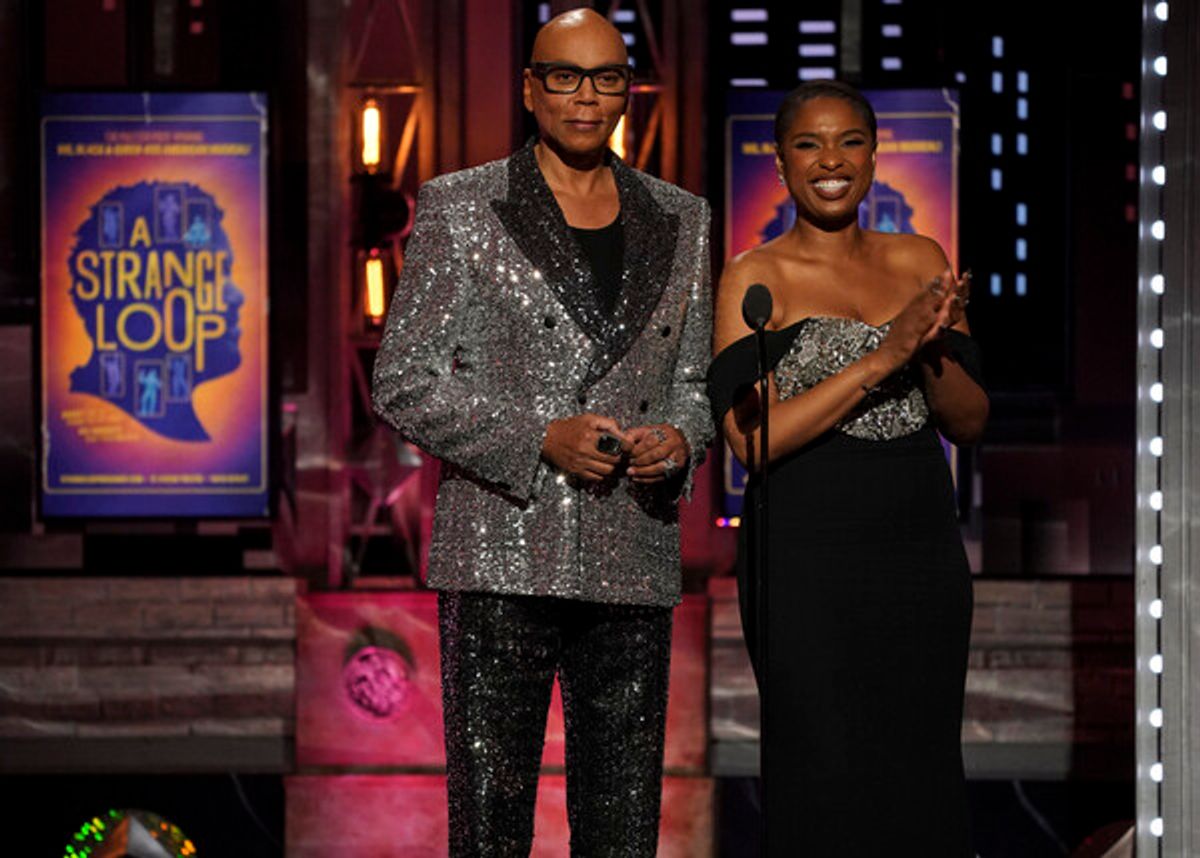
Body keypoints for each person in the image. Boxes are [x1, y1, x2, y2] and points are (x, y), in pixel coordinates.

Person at [371, 9, 712, 856]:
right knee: (490, 826)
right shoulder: (461, 206)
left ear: (627, 91)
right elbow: (403, 380)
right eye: (564, 75)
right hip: (500, 553)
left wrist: (678, 440)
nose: (585, 96)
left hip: (632, 551)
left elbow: (695, 383)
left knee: (623, 830)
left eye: (604, 78)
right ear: (530, 88)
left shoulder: (683, 217)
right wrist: (536, 438)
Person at [708, 80, 988, 856]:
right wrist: (884, 354)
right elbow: (749, 442)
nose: (830, 160)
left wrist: (927, 347)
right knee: (821, 765)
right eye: (808, 144)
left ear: (873, 155)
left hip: (916, 544)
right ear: (780, 162)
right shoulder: (752, 277)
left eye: (849, 142)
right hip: (804, 553)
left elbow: (968, 422)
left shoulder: (920, 258)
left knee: (919, 765)